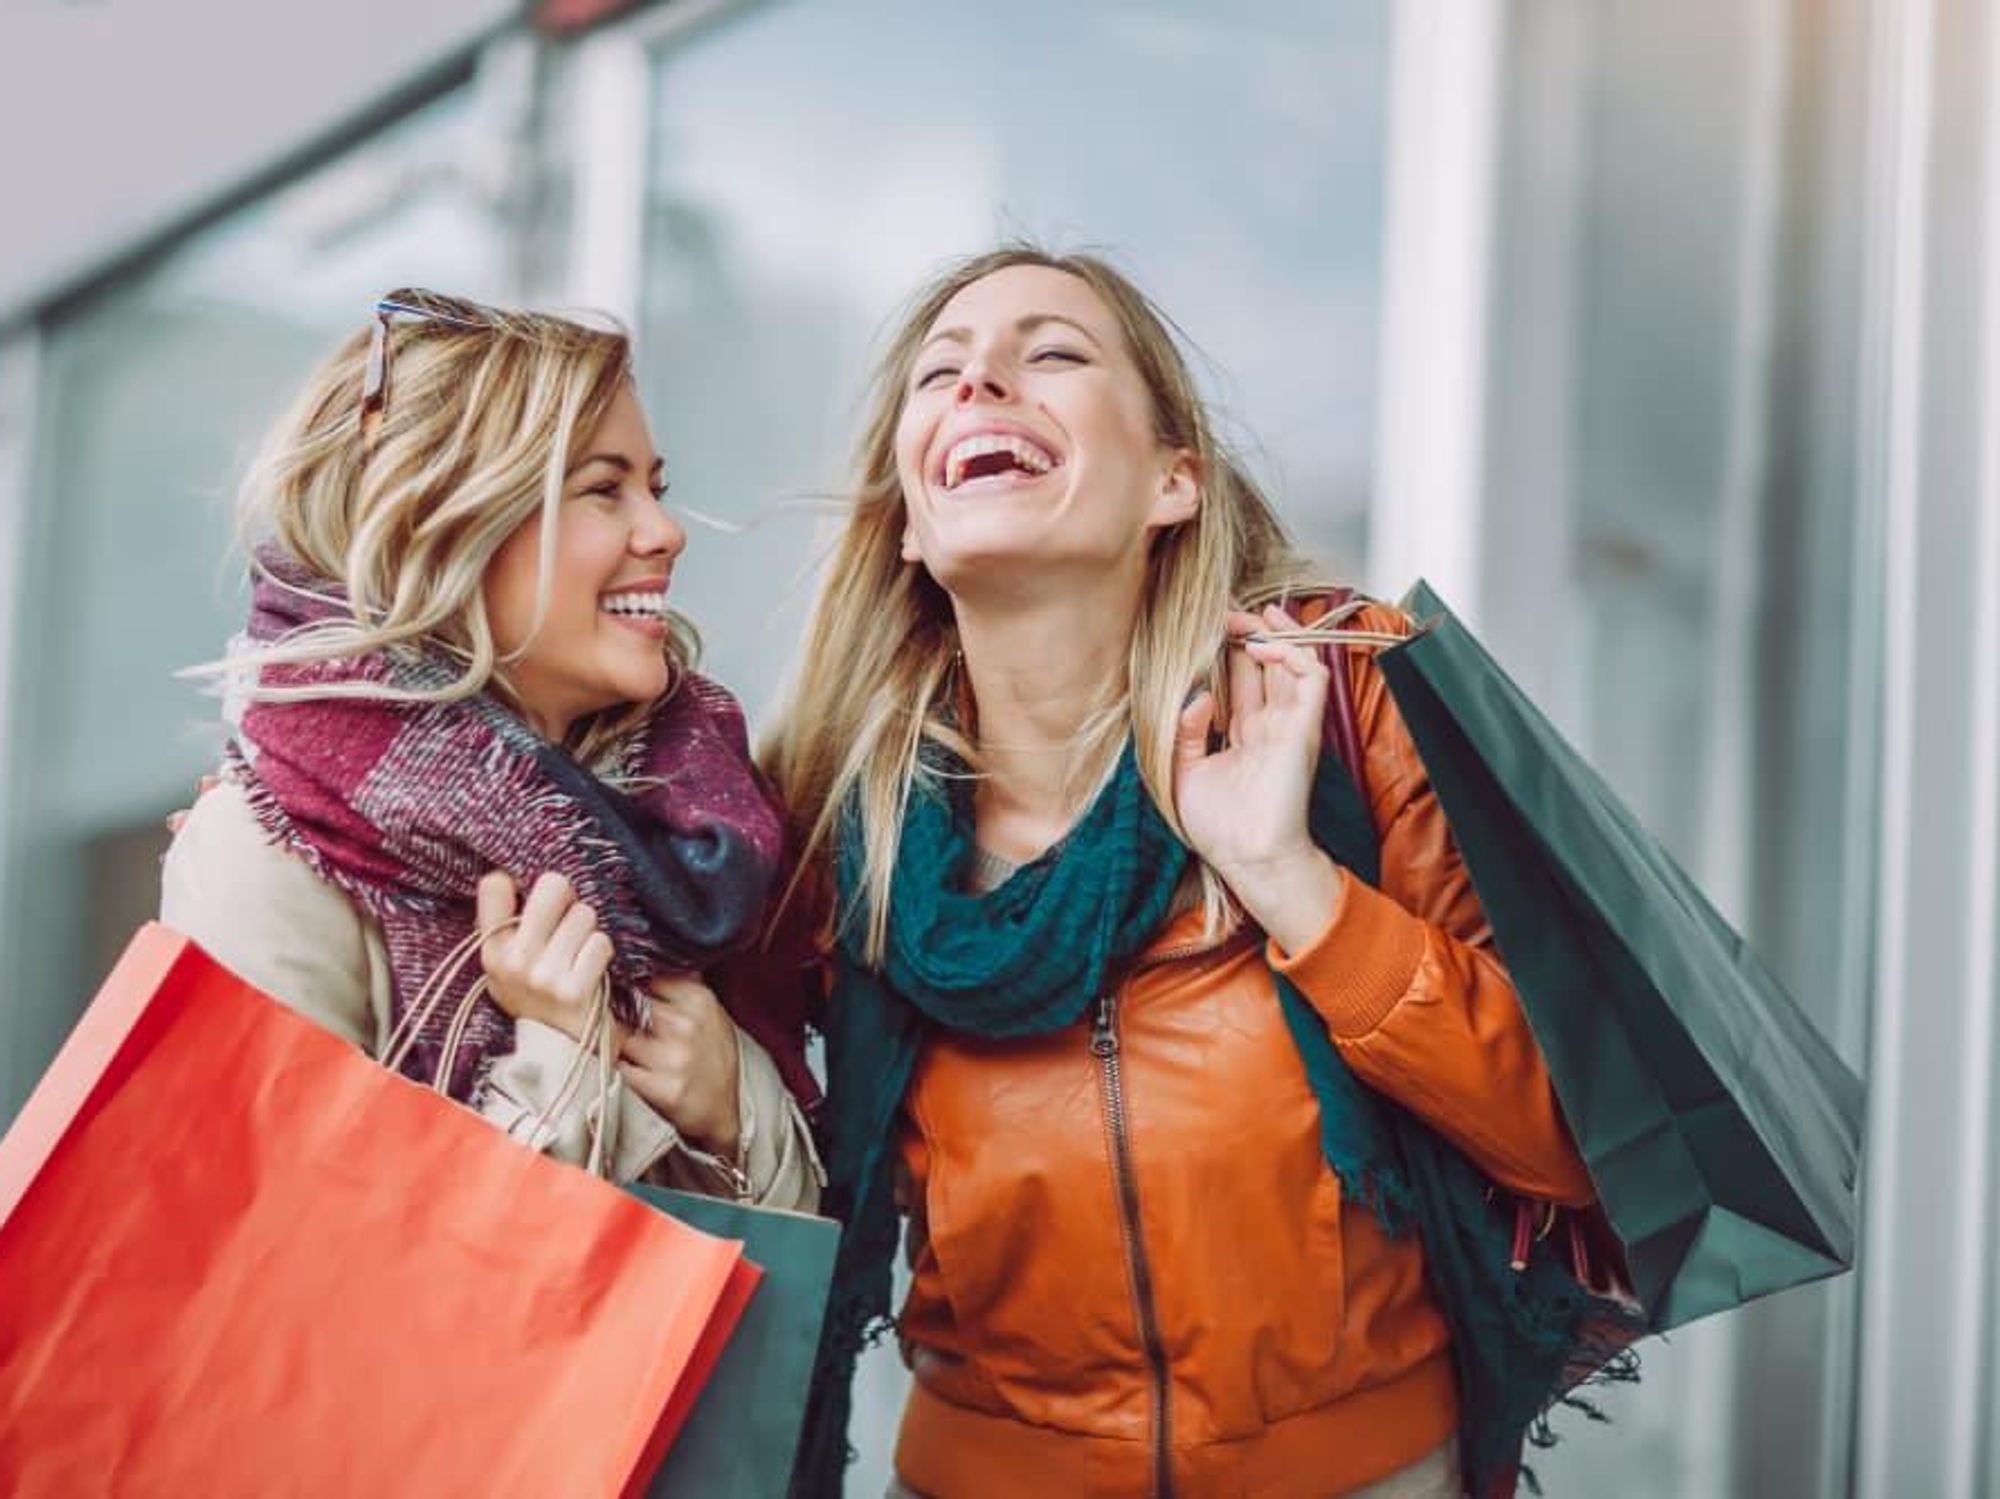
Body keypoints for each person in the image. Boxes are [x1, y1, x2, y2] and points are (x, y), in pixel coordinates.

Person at [161, 289, 820, 1208]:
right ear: (456, 522)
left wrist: (732, 1103)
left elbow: (785, 1299)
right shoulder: (265, 857)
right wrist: (558, 1056)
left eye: (654, 489)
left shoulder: (684, 841)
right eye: (603, 488)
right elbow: (296, 1266)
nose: (664, 531)